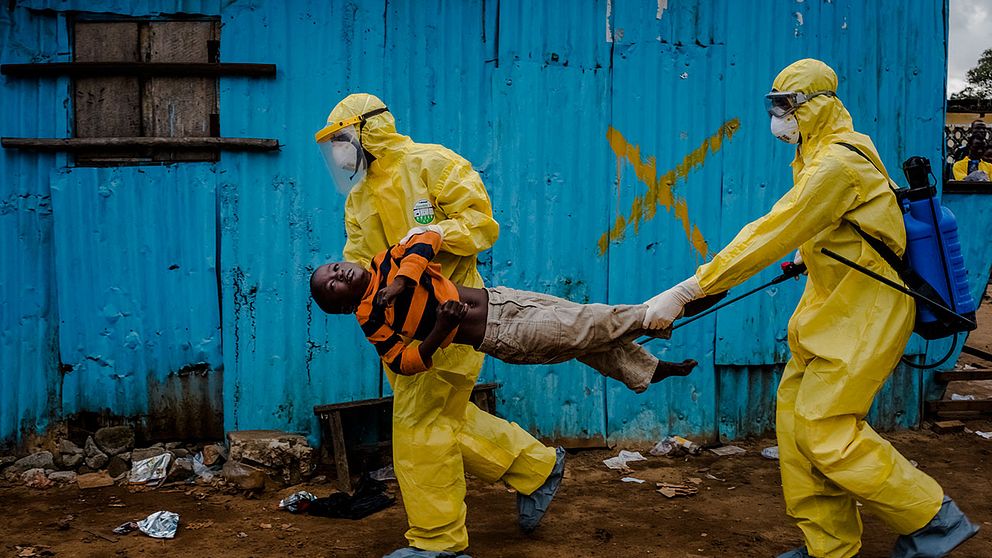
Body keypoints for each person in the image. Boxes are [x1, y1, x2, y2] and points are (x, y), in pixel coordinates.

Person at [642, 59, 979, 558]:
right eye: (774, 106)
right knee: (797, 428)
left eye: (786, 107)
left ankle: (933, 518)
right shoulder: (823, 154)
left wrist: (690, 289)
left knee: (827, 430)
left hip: (867, 312)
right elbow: (850, 218)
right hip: (830, 310)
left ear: (816, 106)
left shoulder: (837, 163)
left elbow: (770, 231)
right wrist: (814, 246)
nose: (778, 118)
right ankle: (830, 546)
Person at [314, 94, 563, 558]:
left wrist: (431, 237)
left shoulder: (432, 163)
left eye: (344, 139)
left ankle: (437, 543)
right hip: (402, 329)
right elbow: (358, 260)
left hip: (453, 314)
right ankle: (538, 467)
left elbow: (480, 225)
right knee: (448, 418)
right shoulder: (360, 197)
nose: (341, 153)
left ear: (369, 128)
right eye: (334, 146)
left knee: (418, 425)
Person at [309, 230, 697, 392]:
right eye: (332, 283)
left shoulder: (385, 262)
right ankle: (665, 308)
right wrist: (438, 331)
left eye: (332, 267)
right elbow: (401, 363)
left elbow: (427, 238)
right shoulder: (372, 319)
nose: (337, 272)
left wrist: (401, 283)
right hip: (502, 335)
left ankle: (646, 370)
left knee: (585, 338)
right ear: (343, 305)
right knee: (586, 324)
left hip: (506, 299)